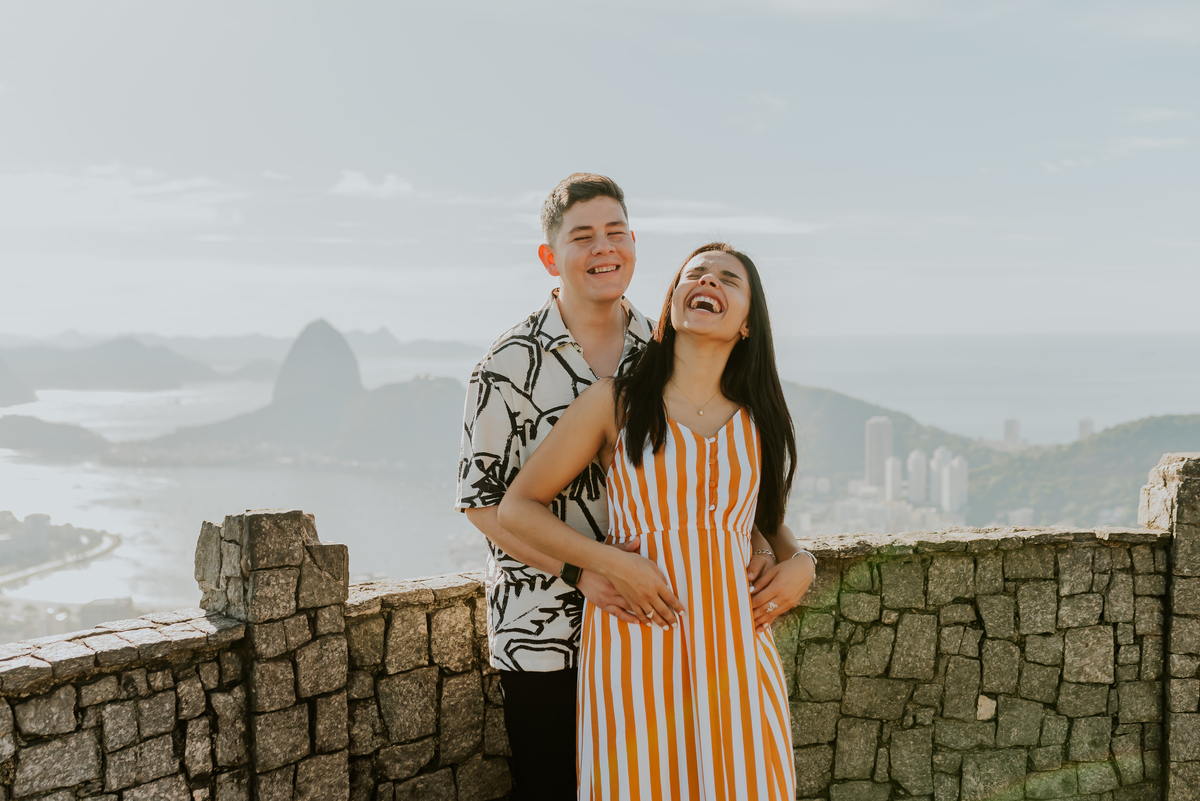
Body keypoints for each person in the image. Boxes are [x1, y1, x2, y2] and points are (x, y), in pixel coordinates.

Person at [457, 176, 793, 799]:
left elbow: (722, 488)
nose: (603, 247)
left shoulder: (662, 348)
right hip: (547, 626)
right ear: (550, 257)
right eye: (582, 236)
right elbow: (487, 505)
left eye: (615, 232)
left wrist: (793, 557)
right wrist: (592, 571)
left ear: (634, 244)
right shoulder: (506, 364)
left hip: (672, 627)